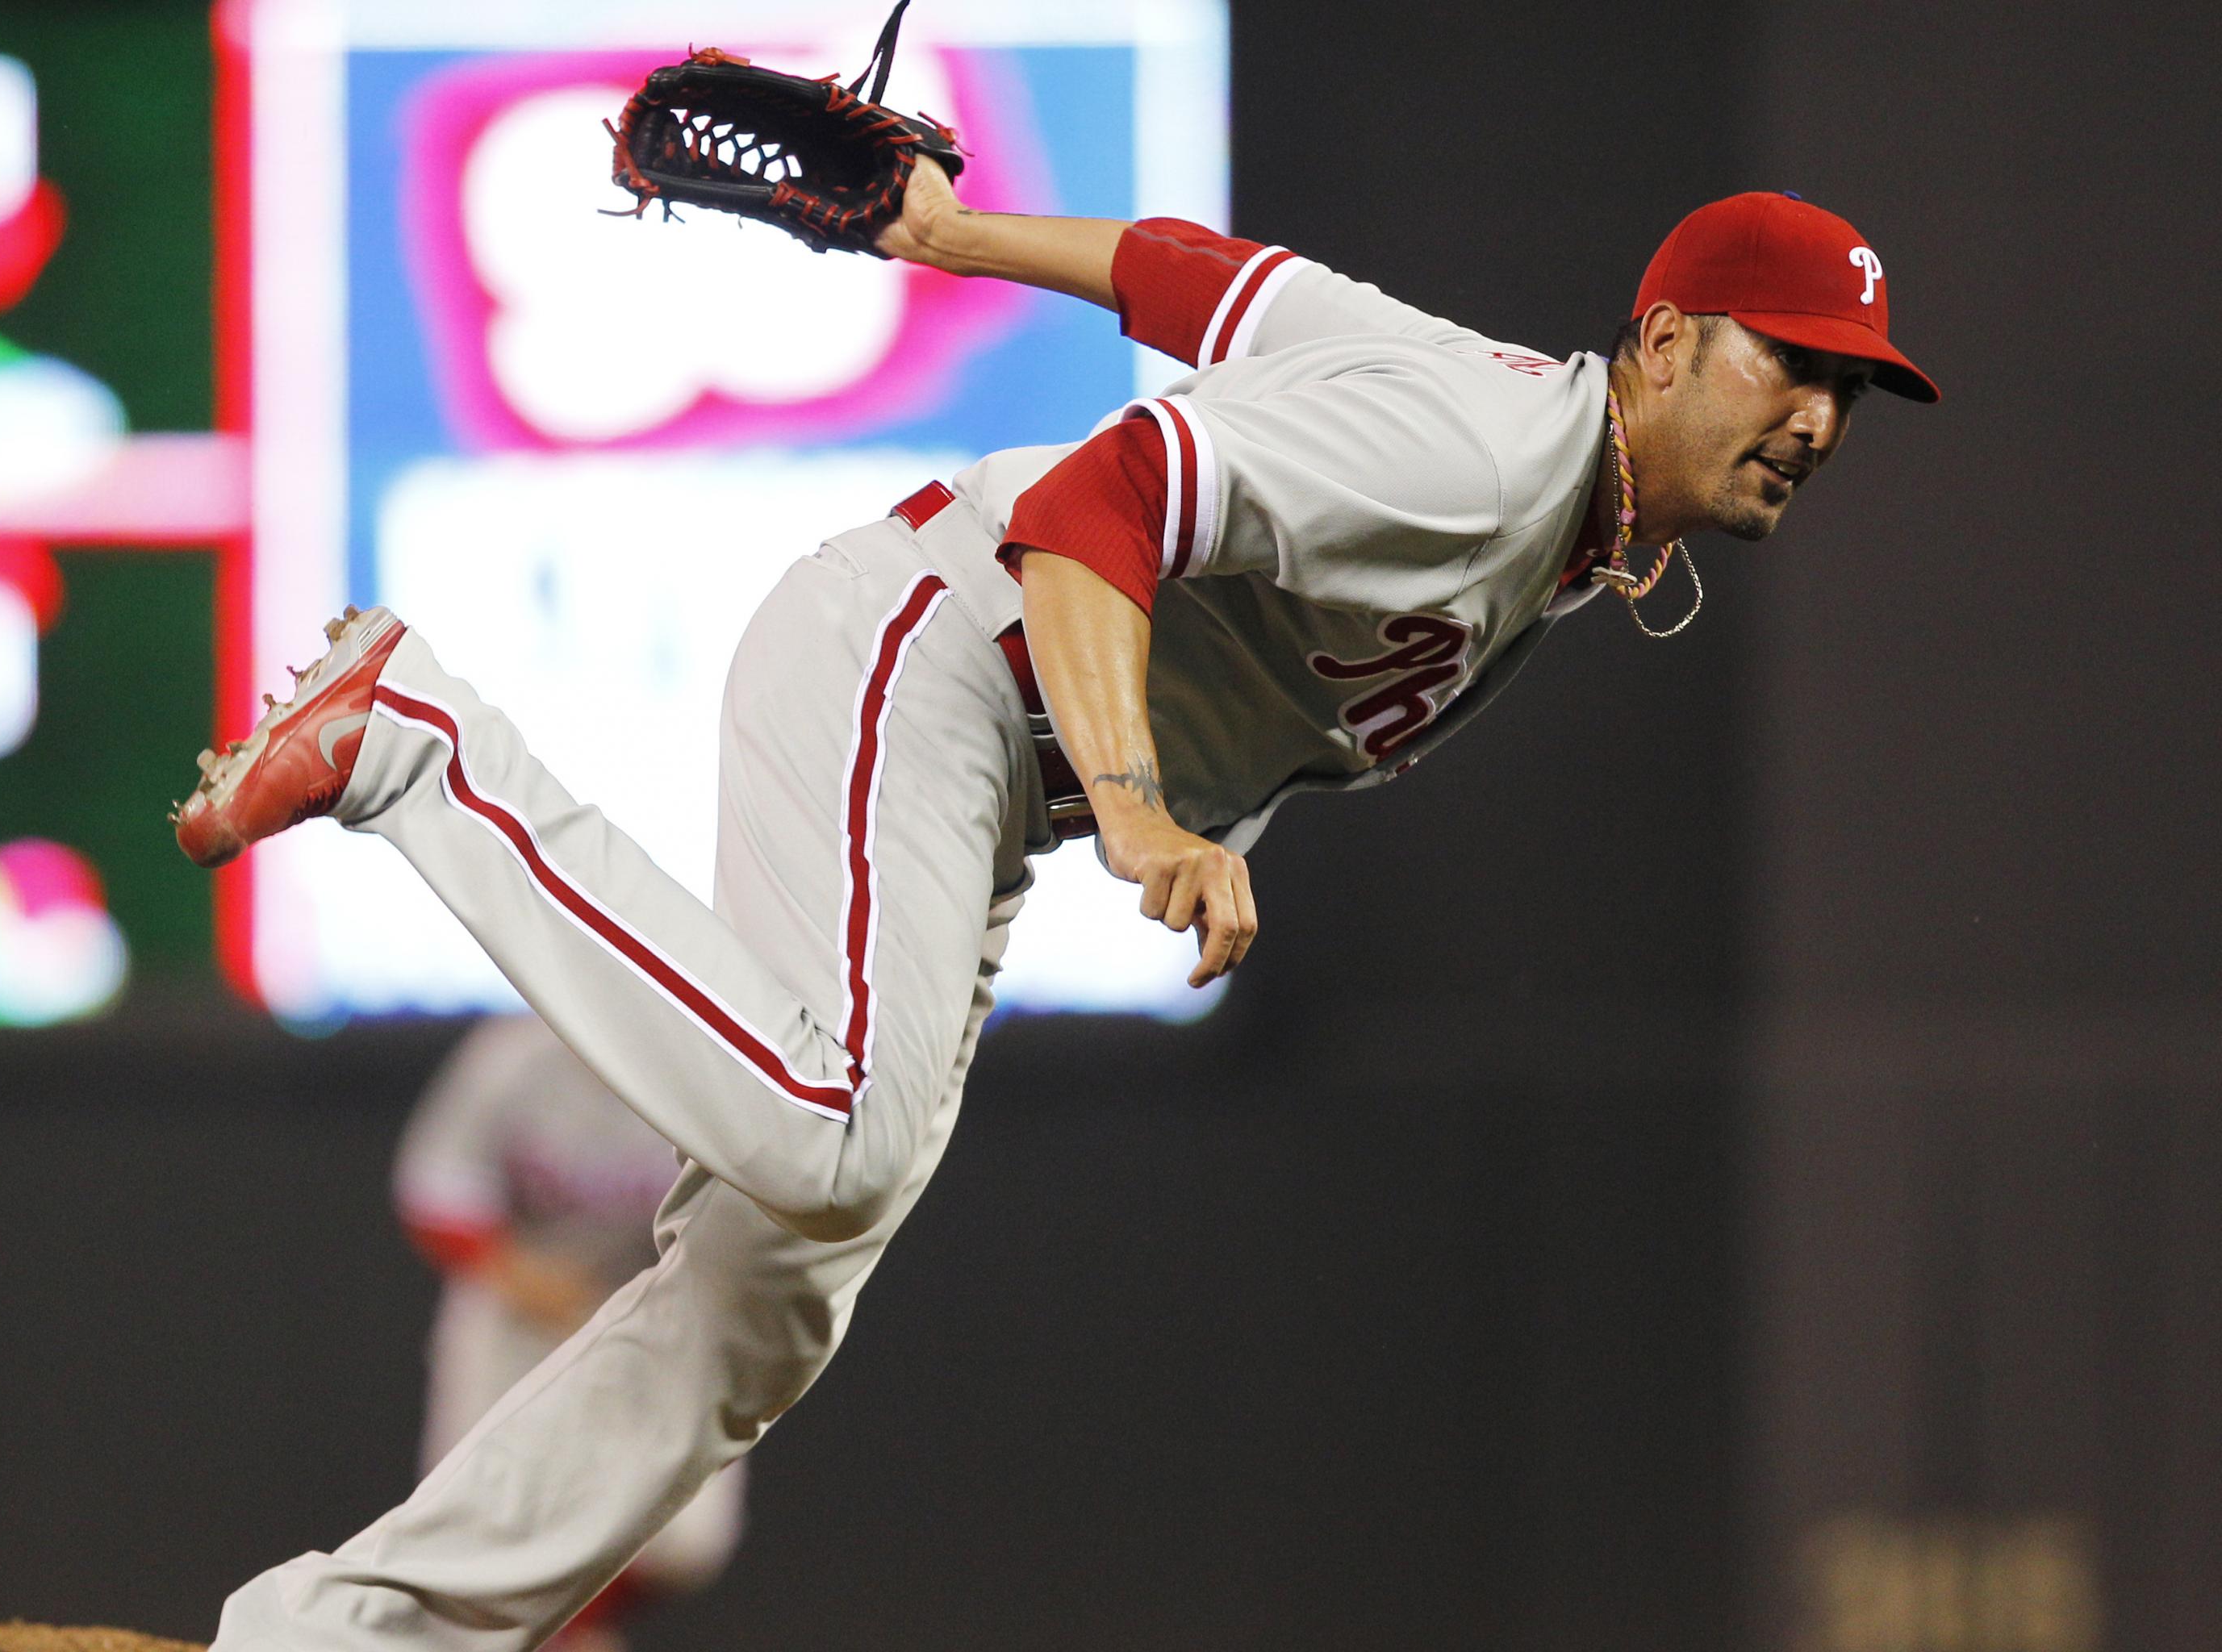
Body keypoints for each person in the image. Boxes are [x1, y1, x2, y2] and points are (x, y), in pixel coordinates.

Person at [178, 172, 1935, 1652]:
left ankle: (346, 1639)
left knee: (764, 1302)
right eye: (1796, 362)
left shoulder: (1537, 465)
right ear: (1667, 340)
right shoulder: (1480, 457)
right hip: (933, 656)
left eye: (1852, 389)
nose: (1821, 418)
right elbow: (1106, 502)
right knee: (832, 1138)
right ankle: (414, 739)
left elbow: (1214, 282)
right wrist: (1152, 809)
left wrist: (956, 237)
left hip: (997, 763)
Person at [393, 1015, 746, 1652]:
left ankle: (563, 1628)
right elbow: (433, 1185)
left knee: (689, 1542)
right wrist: (512, 1271)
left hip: (657, 1315)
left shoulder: (708, 1070)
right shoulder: (512, 1056)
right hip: (515, 1307)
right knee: (469, 1529)